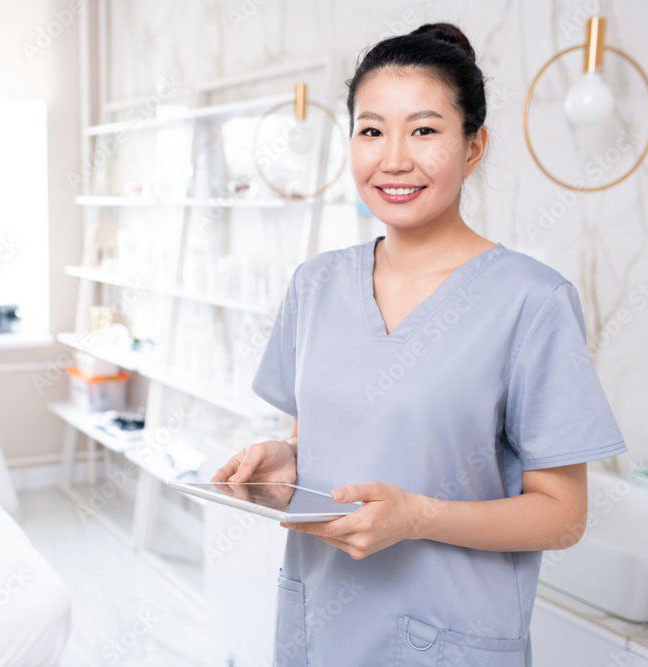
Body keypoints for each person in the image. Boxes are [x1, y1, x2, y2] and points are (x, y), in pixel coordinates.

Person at [212, 22, 626, 666]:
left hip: (448, 640)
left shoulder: (530, 301)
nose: (394, 158)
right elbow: (324, 438)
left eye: (425, 130)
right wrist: (289, 461)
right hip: (318, 627)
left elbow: (564, 515)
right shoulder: (316, 284)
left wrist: (418, 517)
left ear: (474, 146)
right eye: (371, 130)